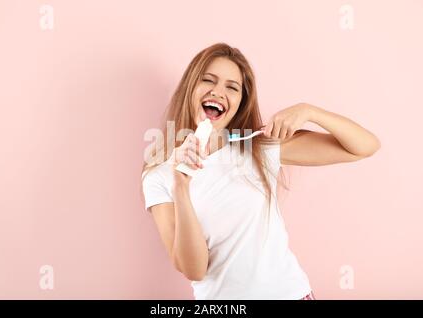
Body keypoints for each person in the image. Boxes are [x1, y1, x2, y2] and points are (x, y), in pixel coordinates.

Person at [141, 43, 381, 300]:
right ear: (190, 89)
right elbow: (194, 269)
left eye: (232, 87)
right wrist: (181, 185)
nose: (219, 92)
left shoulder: (258, 147)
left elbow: (365, 146)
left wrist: (309, 111)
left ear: (240, 102)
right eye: (208, 80)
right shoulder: (160, 176)